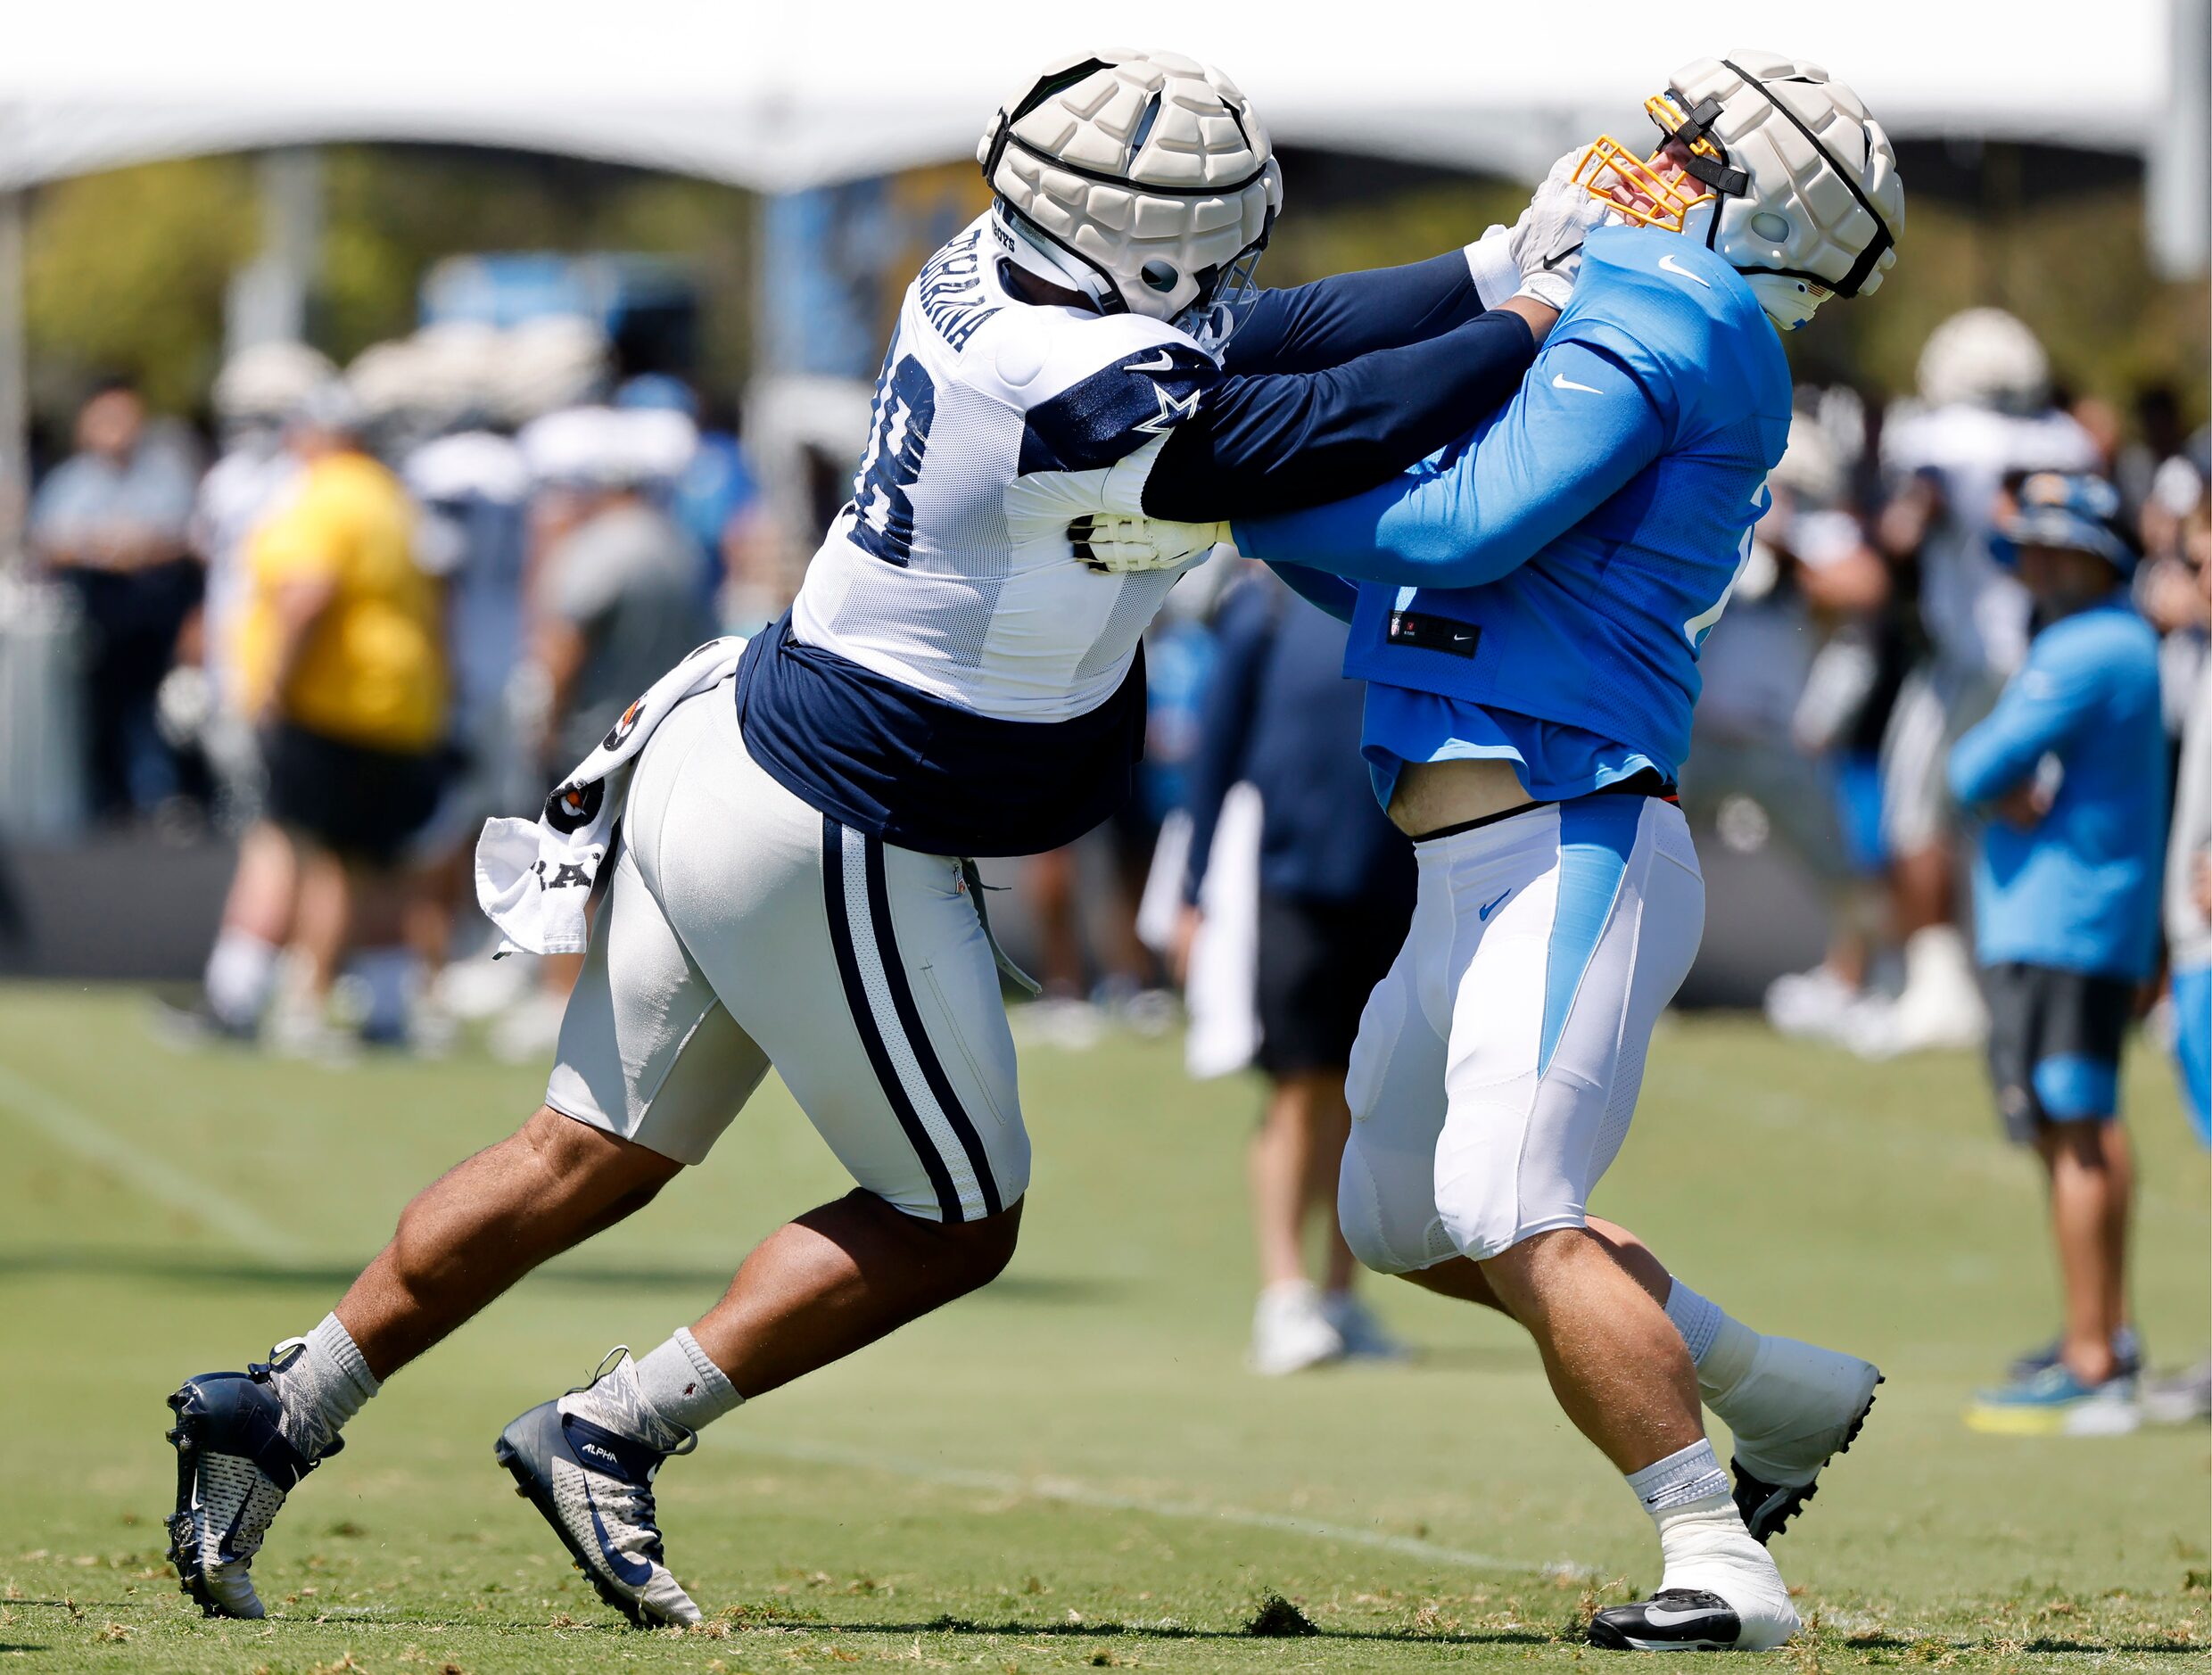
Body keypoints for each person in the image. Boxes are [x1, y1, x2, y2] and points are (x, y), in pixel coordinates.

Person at [161, 47, 1606, 1627]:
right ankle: (610, 1426)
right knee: (956, 1215)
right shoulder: (1079, 385)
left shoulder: (990, 276)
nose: (1232, 257)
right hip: (841, 814)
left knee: (580, 1152)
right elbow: (1324, 422)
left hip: (752, 741)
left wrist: (1488, 261)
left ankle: (280, 1402)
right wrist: (1535, 318)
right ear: (1144, 243)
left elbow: (1265, 336)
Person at [1084, 49, 1904, 1650]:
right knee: (1397, 1218)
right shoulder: (1648, 295)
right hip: (1475, 855)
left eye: (1686, 140)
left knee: (1505, 1191)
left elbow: (1458, 528)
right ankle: (1776, 1385)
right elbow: (1405, 579)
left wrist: (1221, 508)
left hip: (1570, 829)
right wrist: (1273, 523)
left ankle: (1720, 1561)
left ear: (1756, 189)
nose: (1643, 154)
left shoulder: (1674, 305)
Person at [1948, 474, 2167, 1435]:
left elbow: (1973, 767)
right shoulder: (2109, 642)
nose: (2032, 563)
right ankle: (2099, 1338)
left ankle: (2092, 1357)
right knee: (2075, 1126)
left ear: (2092, 554)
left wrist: (1994, 779)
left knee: (2073, 1125)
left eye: (2051, 544)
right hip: (2076, 922)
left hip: (2062, 923)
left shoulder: (2089, 645)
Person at [1180, 567, 1413, 1373]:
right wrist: (1193, 889)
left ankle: (1342, 1300)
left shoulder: (1418, 588)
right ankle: (1284, 1297)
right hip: (1289, 884)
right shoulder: (1268, 601)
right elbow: (1217, 751)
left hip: (1403, 880)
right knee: (1296, 1088)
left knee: (1371, 1097)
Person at [1860, 310, 2101, 1057]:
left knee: (1917, 816)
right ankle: (2041, 982)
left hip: (1965, 660)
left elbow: (1905, 529)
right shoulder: (2067, 440)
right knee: (2035, 815)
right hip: (2046, 657)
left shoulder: (1938, 441)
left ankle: (1939, 989)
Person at [231, 384, 449, 1048]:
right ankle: (386, 1008)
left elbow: (306, 590)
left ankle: (300, 1001)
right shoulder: (391, 496)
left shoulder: (325, 496)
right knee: (377, 860)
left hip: (335, 702)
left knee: (318, 854)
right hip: (401, 705)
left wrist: (273, 680)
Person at [29, 377, 202, 821]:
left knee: (162, 706)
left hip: (156, 608)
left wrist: (142, 547)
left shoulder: (164, 474)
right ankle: (109, 796)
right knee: (101, 709)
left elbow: (189, 535)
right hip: (97, 609)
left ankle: (161, 794)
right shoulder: (71, 481)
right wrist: (99, 546)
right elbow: (47, 542)